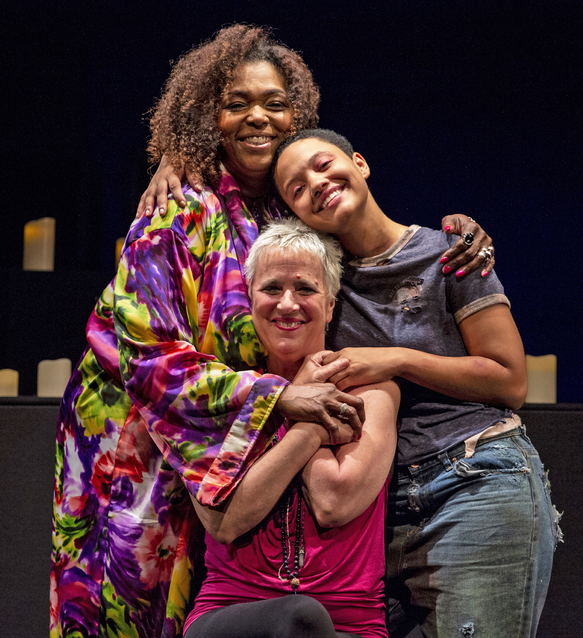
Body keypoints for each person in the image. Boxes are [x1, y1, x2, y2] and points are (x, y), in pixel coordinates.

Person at [50, 25, 496, 638]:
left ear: (298, 118)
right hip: (142, 449)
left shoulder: (292, 211)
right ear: (210, 117)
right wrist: (284, 398)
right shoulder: (179, 207)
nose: (257, 116)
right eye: (237, 103)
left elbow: (375, 244)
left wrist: (457, 233)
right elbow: (144, 353)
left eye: (275, 103)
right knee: (132, 607)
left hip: (232, 447)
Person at [271, 128, 562, 638]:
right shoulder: (318, 285)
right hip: (379, 510)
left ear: (359, 163)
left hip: (475, 477)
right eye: (296, 188)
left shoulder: (449, 252)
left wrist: (397, 359)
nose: (315, 184)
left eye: (322, 165)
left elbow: (510, 379)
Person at [183, 219, 399, 638]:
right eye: (271, 289)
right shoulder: (222, 395)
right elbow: (225, 522)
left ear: (332, 304)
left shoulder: (373, 391)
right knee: (300, 618)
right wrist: (306, 411)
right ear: (249, 300)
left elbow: (333, 500)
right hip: (233, 611)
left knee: (305, 621)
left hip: (352, 624)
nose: (287, 304)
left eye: (305, 289)